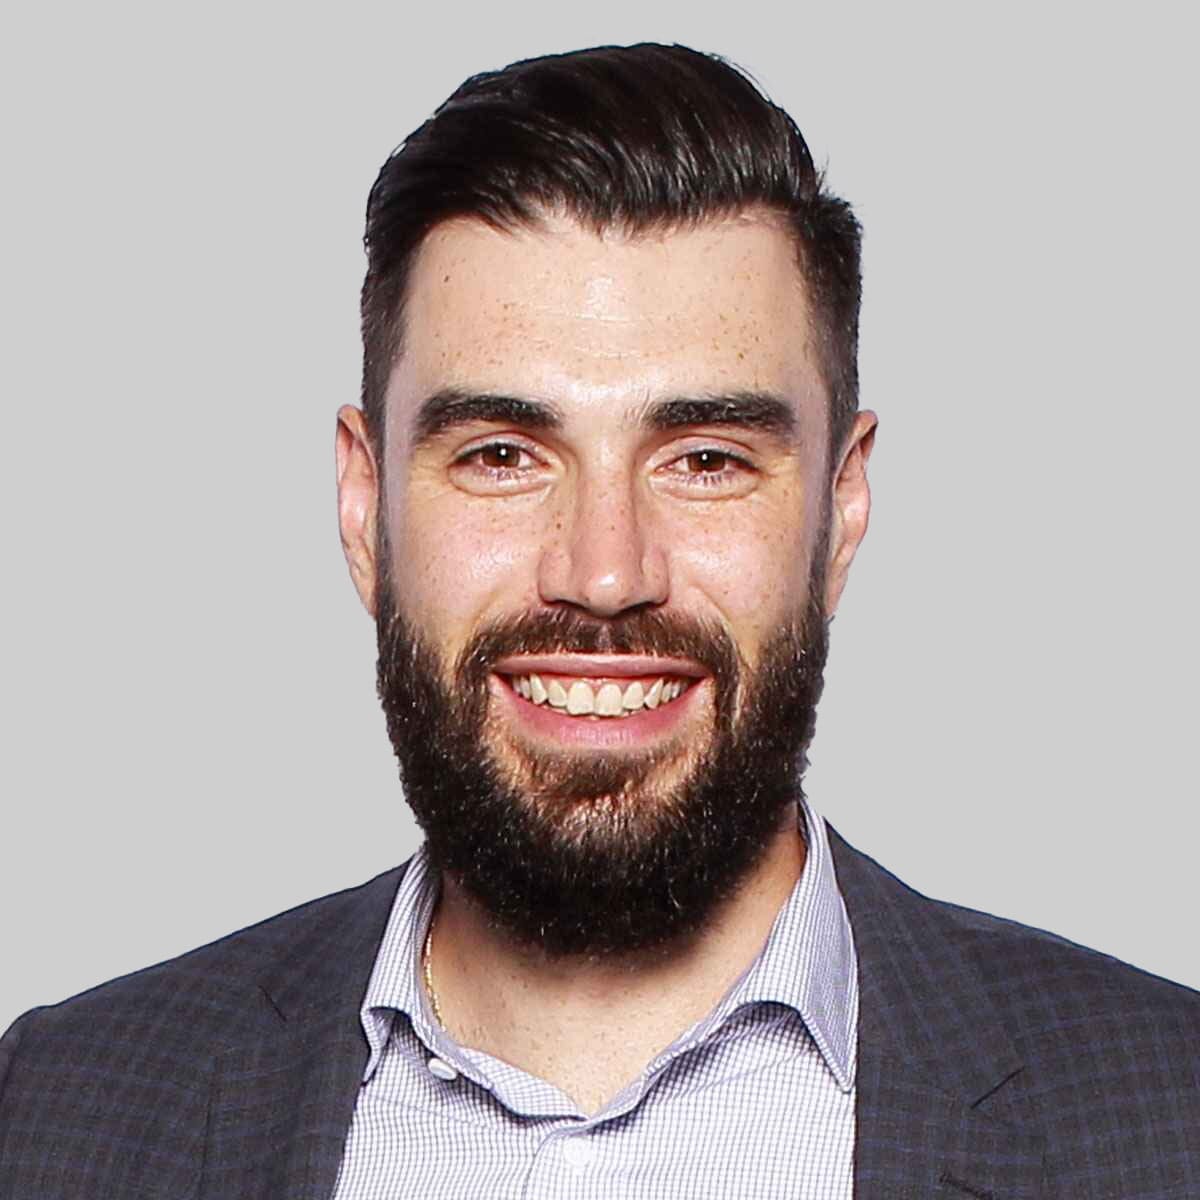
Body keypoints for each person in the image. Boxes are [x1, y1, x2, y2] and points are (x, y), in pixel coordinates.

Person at [1, 41, 1196, 1200]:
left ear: (842, 507)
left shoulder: (1170, 1119)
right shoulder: (54, 1115)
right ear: (365, 508)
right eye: (502, 455)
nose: (605, 572)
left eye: (707, 459)